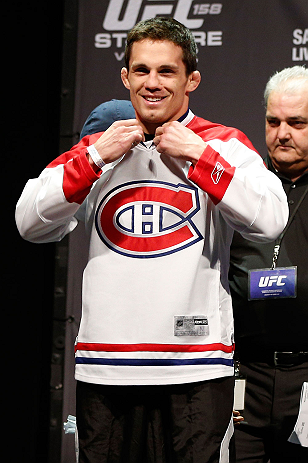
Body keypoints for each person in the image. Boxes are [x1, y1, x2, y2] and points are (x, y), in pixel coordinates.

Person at [15, 17, 288, 463]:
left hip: (196, 368)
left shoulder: (223, 143)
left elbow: (271, 219)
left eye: (167, 71)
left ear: (191, 79)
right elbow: (29, 220)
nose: (152, 83)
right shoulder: (97, 148)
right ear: (125, 77)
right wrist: (96, 156)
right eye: (141, 70)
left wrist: (200, 157)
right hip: (106, 370)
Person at [229, 65, 308, 462]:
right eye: (273, 121)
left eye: (297, 122)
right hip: (247, 375)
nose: (282, 133)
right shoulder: (245, 185)